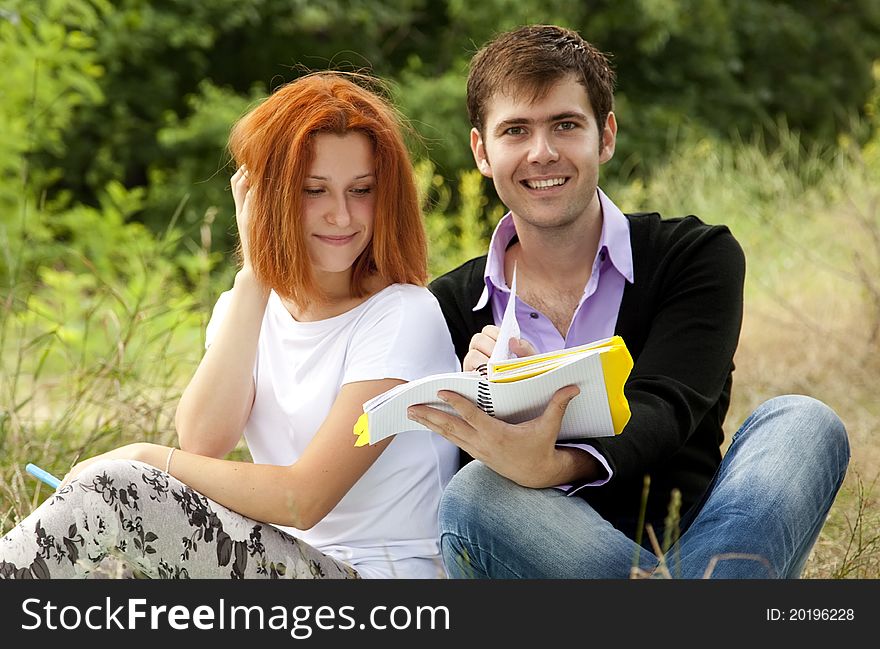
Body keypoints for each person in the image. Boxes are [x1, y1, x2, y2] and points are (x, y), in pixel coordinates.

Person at [409, 25, 850, 578]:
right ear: (482, 151)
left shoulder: (694, 256)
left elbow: (665, 405)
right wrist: (490, 404)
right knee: (475, 494)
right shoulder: (445, 306)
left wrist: (553, 463)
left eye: (565, 125)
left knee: (803, 423)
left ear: (606, 136)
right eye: (515, 130)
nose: (541, 153)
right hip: (528, 558)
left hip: (691, 538)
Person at [0, 72, 460, 579]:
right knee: (115, 571)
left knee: (118, 490)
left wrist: (140, 456)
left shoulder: (403, 315)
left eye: (361, 190)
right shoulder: (246, 308)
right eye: (314, 190)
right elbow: (202, 440)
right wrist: (257, 274)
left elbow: (302, 500)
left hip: (378, 584)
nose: (341, 215)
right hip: (286, 562)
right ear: (267, 195)